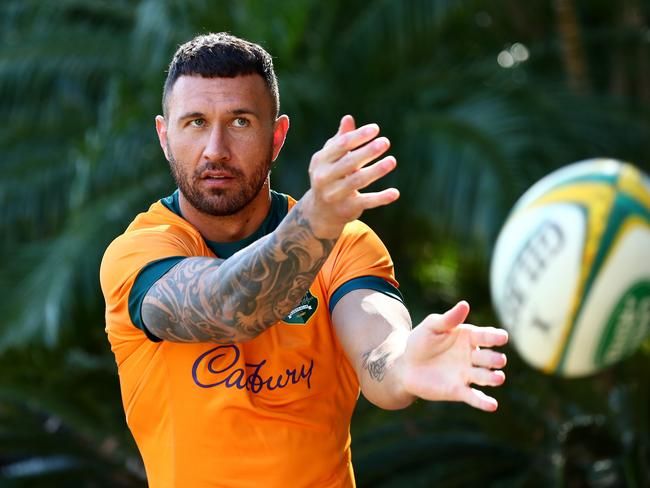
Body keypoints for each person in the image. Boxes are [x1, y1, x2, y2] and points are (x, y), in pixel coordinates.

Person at [100, 32, 509, 488]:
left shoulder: (346, 242)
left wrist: (404, 365)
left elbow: (380, 354)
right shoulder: (139, 250)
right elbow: (227, 307)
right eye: (195, 122)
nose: (215, 148)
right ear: (164, 136)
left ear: (277, 137)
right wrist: (315, 220)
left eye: (239, 122)